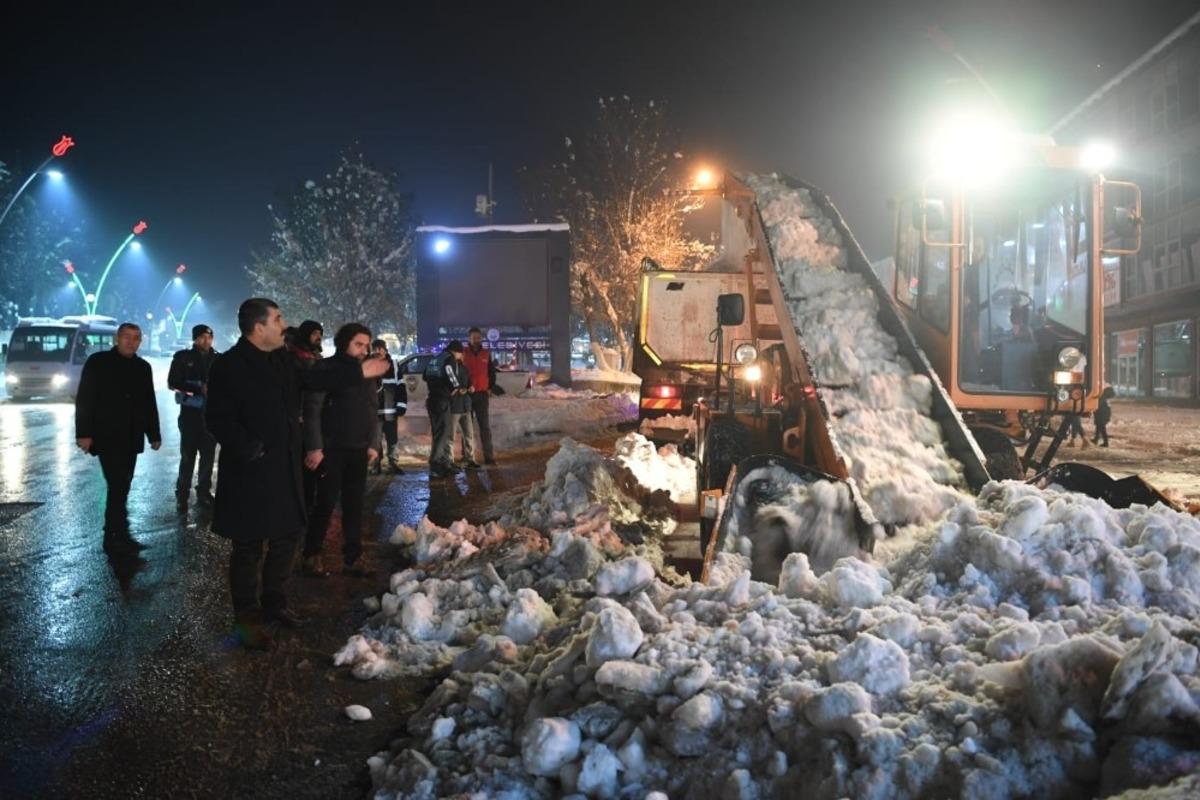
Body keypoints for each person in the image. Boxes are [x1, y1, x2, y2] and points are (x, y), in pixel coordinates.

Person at [205, 299, 388, 648]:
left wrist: (358, 372)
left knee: (287, 537)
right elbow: (217, 419)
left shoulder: (282, 359)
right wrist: (251, 448)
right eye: (278, 319)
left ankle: (275, 604)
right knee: (248, 548)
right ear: (258, 327)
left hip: (284, 470)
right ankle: (248, 622)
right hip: (249, 473)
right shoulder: (229, 365)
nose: (284, 325)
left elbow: (314, 376)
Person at [301, 324, 382, 578]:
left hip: (359, 449)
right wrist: (315, 446)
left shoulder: (366, 370)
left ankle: (353, 558)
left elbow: (372, 408)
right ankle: (312, 554)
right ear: (343, 342)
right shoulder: (326, 369)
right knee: (324, 503)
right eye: (358, 344)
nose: (364, 350)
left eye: (366, 345)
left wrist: (374, 443)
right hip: (331, 449)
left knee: (354, 505)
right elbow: (312, 410)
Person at [74, 322, 162, 555]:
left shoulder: (142, 367)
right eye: (127, 337)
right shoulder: (98, 362)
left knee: (124, 484)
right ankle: (115, 534)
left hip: (131, 436)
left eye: (136, 338)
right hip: (107, 435)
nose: (131, 342)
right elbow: (85, 398)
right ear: (117, 338)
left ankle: (118, 532)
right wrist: (84, 433)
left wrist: (154, 434)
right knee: (118, 484)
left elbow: (148, 403)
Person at [168, 323, 219, 511]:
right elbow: (173, 383)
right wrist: (197, 388)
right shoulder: (183, 358)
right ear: (195, 339)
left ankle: (204, 492)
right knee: (187, 458)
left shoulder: (218, 359)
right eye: (202, 337)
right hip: (190, 417)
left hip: (211, 417)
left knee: (208, 458)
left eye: (209, 337)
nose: (206, 341)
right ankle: (182, 493)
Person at [288, 319, 324, 512]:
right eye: (315, 333)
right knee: (305, 471)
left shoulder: (317, 358)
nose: (318, 337)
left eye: (320, 334)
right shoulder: (294, 359)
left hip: (317, 422)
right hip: (300, 422)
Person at [424, 340, 467, 478]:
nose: (460, 357)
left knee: (440, 431)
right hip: (441, 400)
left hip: (432, 398)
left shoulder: (435, 358)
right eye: (460, 354)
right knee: (443, 432)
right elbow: (449, 373)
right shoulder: (449, 358)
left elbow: (425, 375)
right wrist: (456, 386)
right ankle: (436, 464)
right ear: (456, 351)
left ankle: (443, 463)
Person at [462, 327, 497, 466]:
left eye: (478, 337)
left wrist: (490, 388)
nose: (476, 340)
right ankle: (467, 456)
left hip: (482, 395)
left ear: (481, 338)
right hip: (467, 395)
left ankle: (489, 456)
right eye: (473, 337)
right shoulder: (463, 353)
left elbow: (491, 373)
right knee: (467, 427)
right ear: (469, 339)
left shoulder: (486, 354)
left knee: (485, 427)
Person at [371, 339, 407, 475]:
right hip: (374, 411)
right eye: (375, 349)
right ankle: (376, 464)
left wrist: (401, 405)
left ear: (385, 350)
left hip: (391, 410)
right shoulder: (368, 365)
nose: (377, 351)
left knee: (392, 438)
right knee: (375, 440)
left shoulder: (394, 365)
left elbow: (401, 386)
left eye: (380, 348)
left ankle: (393, 463)